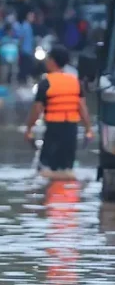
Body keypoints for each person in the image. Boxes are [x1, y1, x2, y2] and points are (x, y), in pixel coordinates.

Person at [24, 45, 93, 176]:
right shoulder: (75, 82)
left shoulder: (45, 83)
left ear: (52, 61)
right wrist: (88, 130)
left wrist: (28, 129)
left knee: (44, 170)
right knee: (67, 170)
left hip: (54, 131)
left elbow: (36, 110)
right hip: (72, 132)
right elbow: (83, 108)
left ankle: (48, 193)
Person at [16, 9, 35, 85]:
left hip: (28, 50)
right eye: (31, 16)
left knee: (27, 67)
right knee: (24, 67)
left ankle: (23, 81)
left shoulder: (29, 26)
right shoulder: (25, 26)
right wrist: (20, 49)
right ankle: (21, 82)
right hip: (24, 50)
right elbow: (21, 38)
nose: (33, 18)